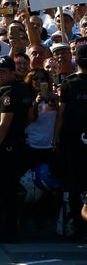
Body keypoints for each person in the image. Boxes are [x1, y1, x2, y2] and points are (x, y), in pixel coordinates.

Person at [0, 56, 33, 242]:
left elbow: (3, 125)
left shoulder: (9, 92)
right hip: (18, 143)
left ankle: (7, 231)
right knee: (11, 190)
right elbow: (30, 115)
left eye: (3, 71)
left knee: (4, 191)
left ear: (13, 72)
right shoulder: (22, 89)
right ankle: (11, 229)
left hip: (6, 147)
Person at [55, 44, 87, 242]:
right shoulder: (68, 83)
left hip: (72, 143)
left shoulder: (68, 83)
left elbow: (60, 114)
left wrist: (55, 138)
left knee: (74, 187)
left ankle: (78, 226)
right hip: (74, 142)